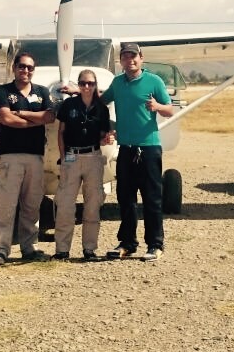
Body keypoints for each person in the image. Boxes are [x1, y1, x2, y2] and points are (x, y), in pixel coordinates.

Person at [102, 42, 174, 262]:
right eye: (125, 56)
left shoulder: (154, 81)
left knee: (151, 198)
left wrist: (157, 107)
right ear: (121, 60)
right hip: (126, 149)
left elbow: (170, 110)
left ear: (141, 58)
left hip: (149, 148)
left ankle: (155, 244)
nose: (130, 60)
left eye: (134, 56)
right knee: (126, 198)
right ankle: (127, 243)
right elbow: (99, 101)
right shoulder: (117, 83)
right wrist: (79, 91)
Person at [0, 52, 55, 265]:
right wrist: (35, 121)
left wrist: (20, 113)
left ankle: (29, 247)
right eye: (21, 66)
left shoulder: (42, 91)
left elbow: (49, 116)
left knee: (32, 204)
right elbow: (6, 118)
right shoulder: (3, 91)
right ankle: (1, 250)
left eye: (30, 67)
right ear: (14, 68)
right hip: (11, 155)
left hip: (35, 156)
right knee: (6, 204)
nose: (25, 70)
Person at [52, 69, 113, 261]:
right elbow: (61, 132)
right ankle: (62, 250)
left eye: (91, 83)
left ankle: (89, 249)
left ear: (95, 86)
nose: (87, 87)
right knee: (65, 205)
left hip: (93, 157)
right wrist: (63, 157)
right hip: (71, 157)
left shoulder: (102, 109)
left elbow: (103, 137)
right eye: (83, 83)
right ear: (78, 85)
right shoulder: (68, 104)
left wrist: (107, 139)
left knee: (92, 205)